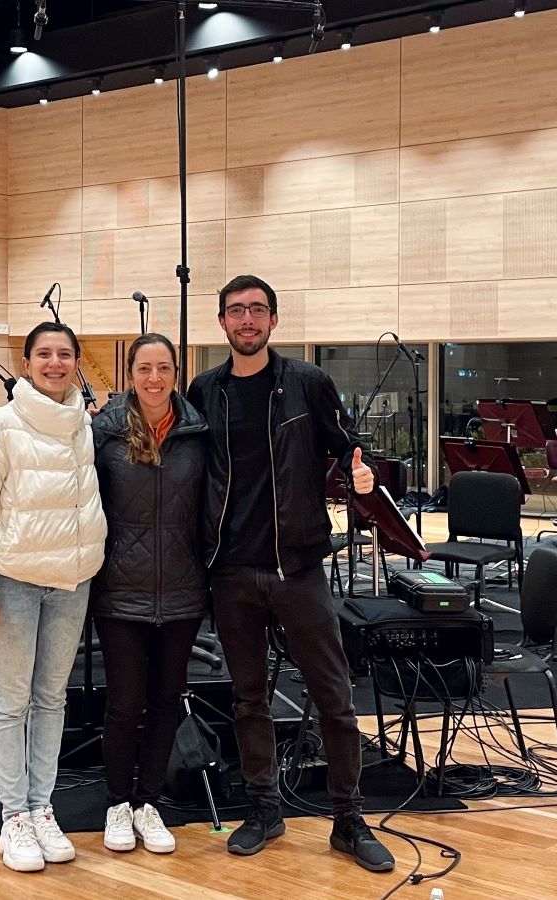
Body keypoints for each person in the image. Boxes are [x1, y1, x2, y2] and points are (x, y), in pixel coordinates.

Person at [185, 274, 396, 873]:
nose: (246, 320)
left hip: (298, 566)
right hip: (230, 572)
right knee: (248, 699)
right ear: (221, 322)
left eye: (257, 310)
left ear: (274, 321)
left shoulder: (306, 383)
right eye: (236, 311)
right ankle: (264, 809)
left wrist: (363, 477)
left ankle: (348, 821)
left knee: (332, 694)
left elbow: (349, 448)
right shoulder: (205, 390)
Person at [0, 322, 107, 873]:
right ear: (27, 362)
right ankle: (13, 816)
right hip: (14, 581)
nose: (56, 363)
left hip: (72, 581)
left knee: (52, 699)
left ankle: (43, 808)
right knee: (11, 700)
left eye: (65, 354)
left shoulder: (83, 427)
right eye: (45, 354)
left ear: (76, 363)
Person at [90, 333, 210, 855]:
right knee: (124, 705)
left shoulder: (199, 432)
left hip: (183, 590)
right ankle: (118, 803)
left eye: (163, 368)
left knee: (166, 703)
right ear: (131, 373)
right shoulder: (105, 432)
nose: (154, 378)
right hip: (121, 591)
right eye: (144, 368)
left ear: (176, 373)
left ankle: (149, 803)